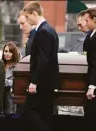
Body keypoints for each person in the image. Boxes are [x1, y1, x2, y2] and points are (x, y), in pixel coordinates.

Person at [21, 2, 59, 131]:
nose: (26, 19)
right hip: (48, 82)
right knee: (44, 114)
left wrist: (34, 82)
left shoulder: (43, 31)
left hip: (42, 83)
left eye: (27, 16)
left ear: (34, 13)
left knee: (28, 111)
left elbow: (43, 59)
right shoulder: (50, 29)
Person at [2, 41, 20, 113]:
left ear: (14, 53)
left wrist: (2, 80)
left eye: (10, 52)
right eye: (6, 51)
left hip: (10, 97)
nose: (7, 54)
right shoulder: (0, 64)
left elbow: (16, 83)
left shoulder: (17, 66)